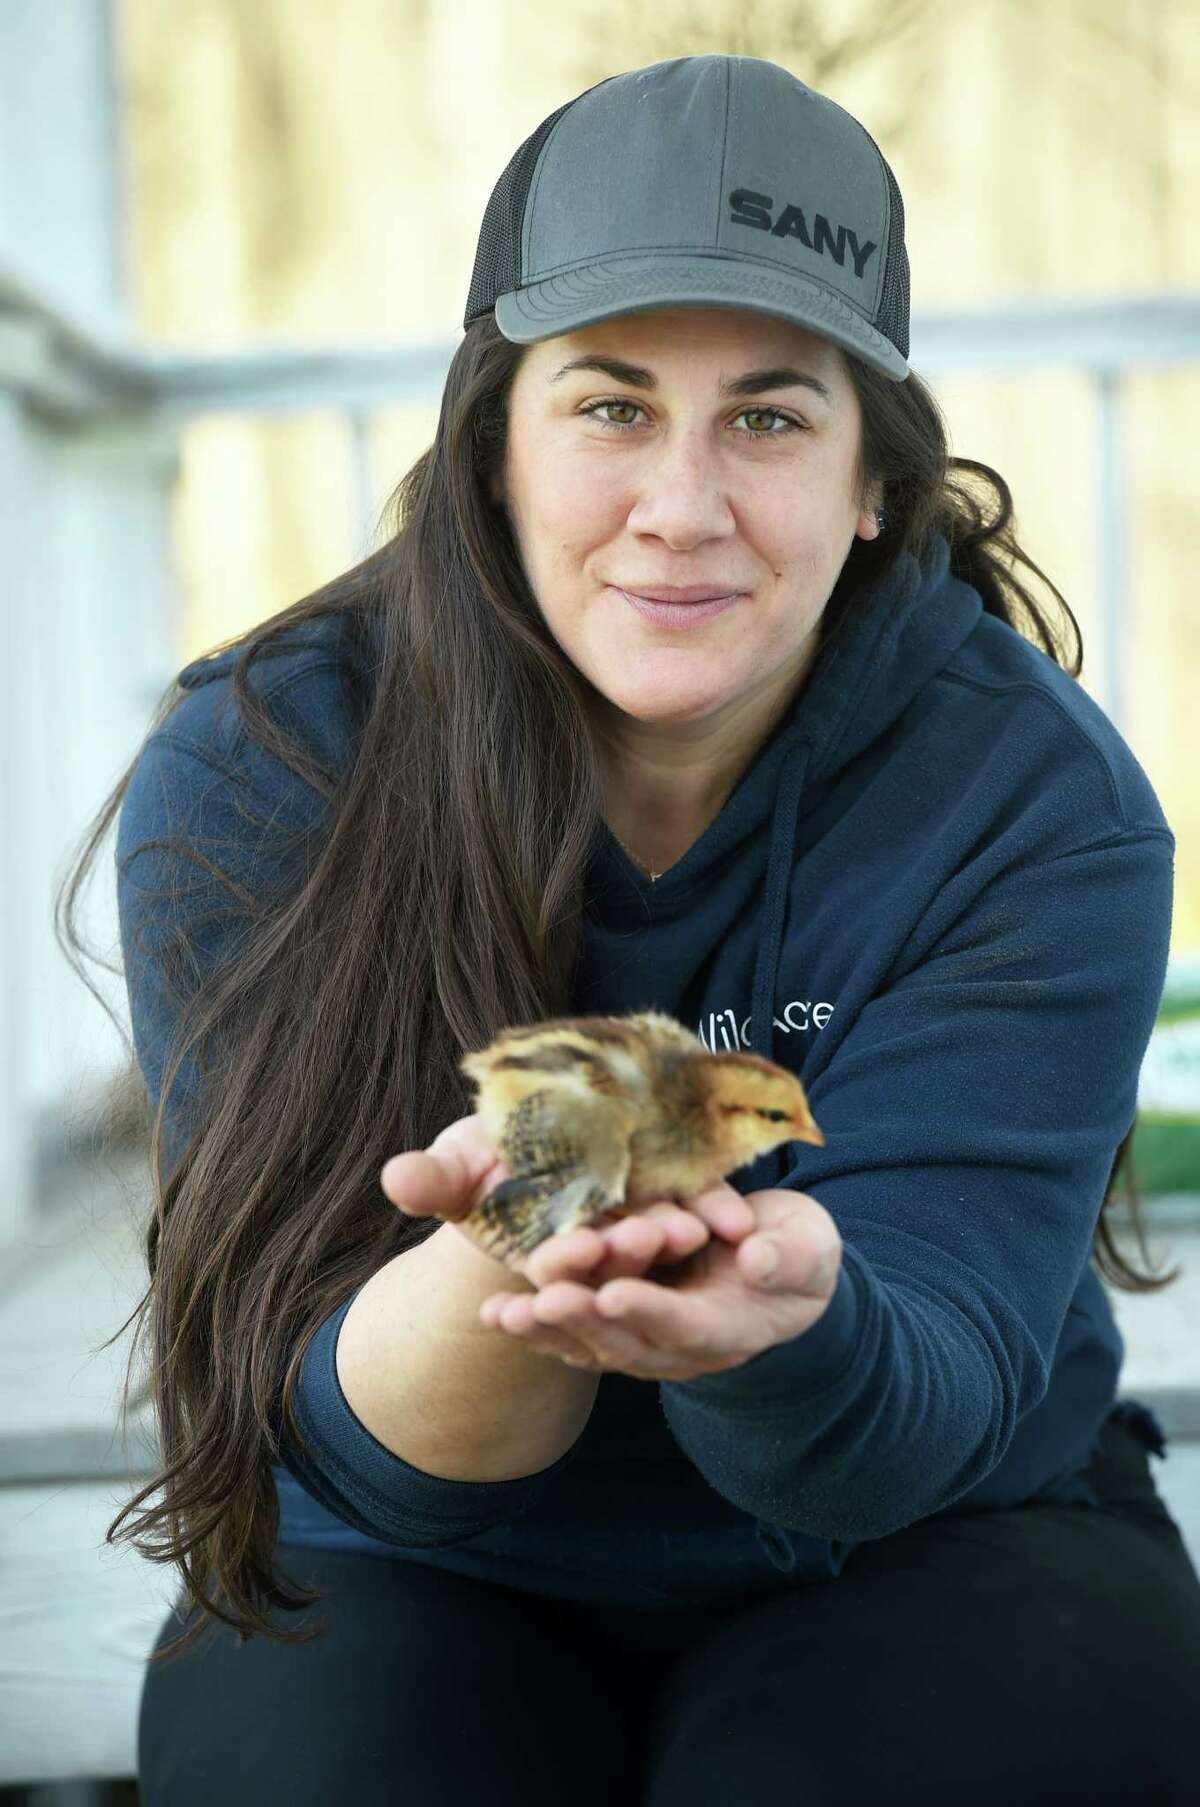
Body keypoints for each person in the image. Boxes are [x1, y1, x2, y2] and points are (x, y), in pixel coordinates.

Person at [90, 52, 1200, 1805]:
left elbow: (915, 1408)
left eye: (768, 415)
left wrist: (788, 1332)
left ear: (867, 481)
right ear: (494, 448)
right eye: (609, 406)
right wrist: (513, 1259)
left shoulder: (1035, 802)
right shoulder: (260, 764)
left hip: (944, 1534)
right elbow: (361, 1456)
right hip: (411, 1564)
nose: (682, 506)